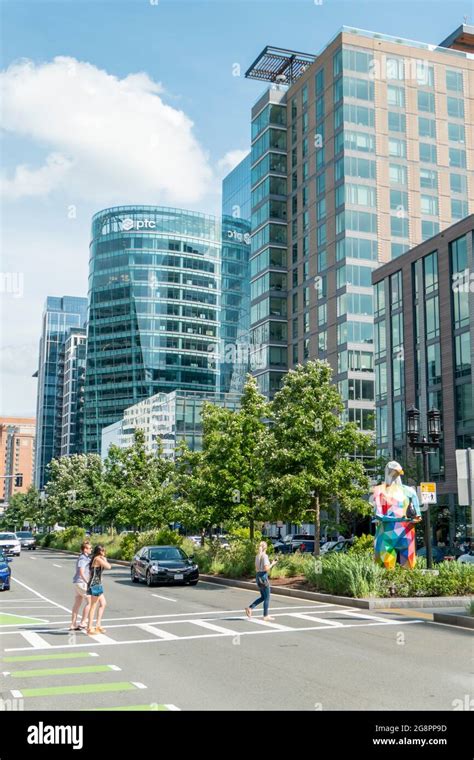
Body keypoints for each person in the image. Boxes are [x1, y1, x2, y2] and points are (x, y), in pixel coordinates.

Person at [245, 541, 277, 622]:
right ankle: (265, 616)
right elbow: (266, 568)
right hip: (263, 577)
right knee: (267, 597)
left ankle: (250, 608)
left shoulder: (257, 556)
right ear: (266, 548)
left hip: (258, 577)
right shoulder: (265, 556)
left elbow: (256, 569)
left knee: (263, 597)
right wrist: (272, 563)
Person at [86, 545, 111, 635]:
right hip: (95, 585)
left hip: (98, 584)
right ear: (99, 552)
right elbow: (108, 566)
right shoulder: (97, 559)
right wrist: (104, 559)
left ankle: (98, 625)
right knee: (93, 606)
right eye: (103, 551)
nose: (104, 553)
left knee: (103, 604)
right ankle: (89, 627)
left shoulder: (97, 559)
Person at [70, 541, 91, 631]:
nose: (91, 549)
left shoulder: (84, 557)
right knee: (90, 602)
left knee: (77, 603)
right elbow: (81, 572)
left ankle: (73, 624)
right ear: (85, 549)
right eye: (90, 548)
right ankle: (83, 622)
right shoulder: (83, 558)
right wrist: (88, 582)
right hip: (81, 582)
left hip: (77, 583)